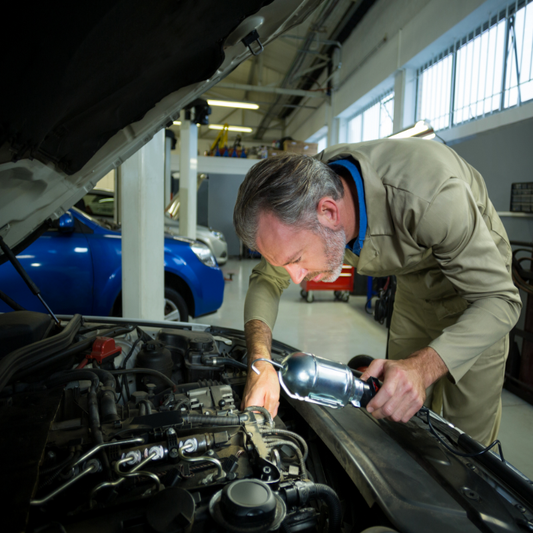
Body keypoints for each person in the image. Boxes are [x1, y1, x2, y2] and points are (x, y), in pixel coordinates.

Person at [233, 138, 522, 446]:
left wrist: (422, 368)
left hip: (478, 293)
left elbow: (501, 301)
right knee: (397, 405)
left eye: (296, 259)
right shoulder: (299, 189)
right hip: (413, 279)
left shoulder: (432, 197)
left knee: (465, 439)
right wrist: (260, 362)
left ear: (329, 213)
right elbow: (266, 278)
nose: (294, 277)